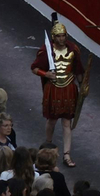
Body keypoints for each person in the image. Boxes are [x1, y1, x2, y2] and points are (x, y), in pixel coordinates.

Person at [30, 14, 83, 166]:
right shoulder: (46, 50)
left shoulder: (73, 49)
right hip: (53, 88)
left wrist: (82, 85)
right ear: (53, 37)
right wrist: (45, 74)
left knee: (67, 122)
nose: (61, 39)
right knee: (52, 120)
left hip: (68, 88)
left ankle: (66, 154)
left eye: (63, 36)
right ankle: (48, 146)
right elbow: (34, 68)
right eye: (58, 36)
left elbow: (78, 70)